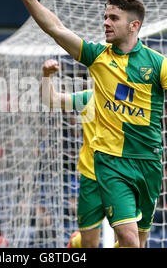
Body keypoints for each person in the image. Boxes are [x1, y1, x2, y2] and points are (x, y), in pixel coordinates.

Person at [2, 0, 167, 248]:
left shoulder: (159, 64)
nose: (106, 23)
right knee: (128, 238)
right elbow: (55, 28)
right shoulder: (97, 57)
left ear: (134, 25)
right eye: (105, 17)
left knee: (138, 242)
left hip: (148, 163)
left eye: (113, 18)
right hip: (109, 162)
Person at [41, 59, 107, 248]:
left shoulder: (130, 98)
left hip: (123, 177)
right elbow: (50, 100)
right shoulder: (88, 98)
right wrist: (47, 76)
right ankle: (77, 242)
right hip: (92, 176)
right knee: (89, 244)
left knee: (130, 239)